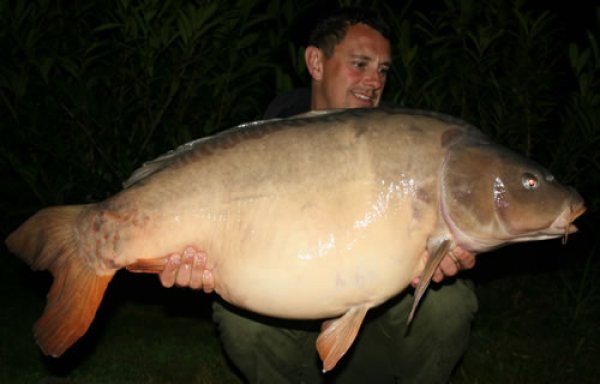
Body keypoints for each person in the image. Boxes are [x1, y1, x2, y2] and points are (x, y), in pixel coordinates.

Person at [159, 8, 478, 383]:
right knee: (237, 319)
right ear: (315, 62)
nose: (374, 81)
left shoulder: (407, 143)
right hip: (288, 322)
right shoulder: (264, 144)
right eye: (360, 64)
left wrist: (446, 252)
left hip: (380, 325)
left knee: (449, 303)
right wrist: (195, 262)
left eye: (383, 70)